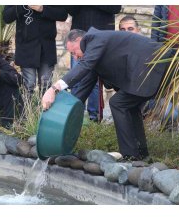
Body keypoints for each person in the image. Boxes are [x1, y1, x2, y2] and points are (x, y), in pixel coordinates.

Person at [42, 28, 171, 161]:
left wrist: (54, 89)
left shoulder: (94, 38)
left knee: (118, 103)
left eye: (74, 52)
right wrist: (64, 113)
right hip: (146, 71)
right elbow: (81, 90)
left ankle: (130, 154)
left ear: (80, 40)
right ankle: (140, 153)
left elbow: (84, 66)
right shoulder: (93, 57)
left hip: (155, 66)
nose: (75, 57)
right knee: (128, 106)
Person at [66, 5, 122, 122]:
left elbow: (115, 8)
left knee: (95, 83)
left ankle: (94, 118)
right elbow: (70, 9)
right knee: (76, 80)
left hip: (101, 39)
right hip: (78, 38)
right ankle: (74, 117)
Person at [2, 5, 68, 98]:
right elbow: (6, 17)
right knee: (29, 84)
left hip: (47, 47)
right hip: (26, 48)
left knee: (46, 85)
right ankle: (26, 112)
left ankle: (44, 111)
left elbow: (63, 15)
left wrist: (42, 9)